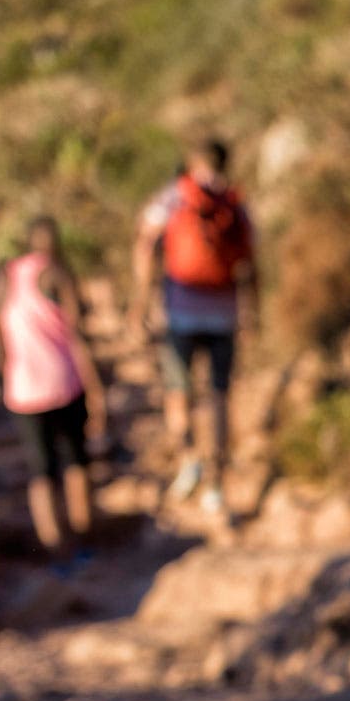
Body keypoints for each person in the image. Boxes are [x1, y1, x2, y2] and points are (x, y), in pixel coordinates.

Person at [129, 135, 256, 519]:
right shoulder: (235, 203)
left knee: (178, 393)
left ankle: (189, 460)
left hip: (181, 314)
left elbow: (145, 243)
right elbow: (251, 262)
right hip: (224, 313)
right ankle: (215, 487)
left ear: (193, 161)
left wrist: (141, 300)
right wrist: (253, 311)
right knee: (219, 398)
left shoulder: (175, 196)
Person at [0, 214, 107, 567]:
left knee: (41, 471)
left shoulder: (2, 278)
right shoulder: (57, 273)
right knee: (75, 462)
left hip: (23, 391)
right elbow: (77, 335)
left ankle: (56, 550)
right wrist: (96, 388)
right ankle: (82, 541)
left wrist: (9, 376)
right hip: (65, 384)